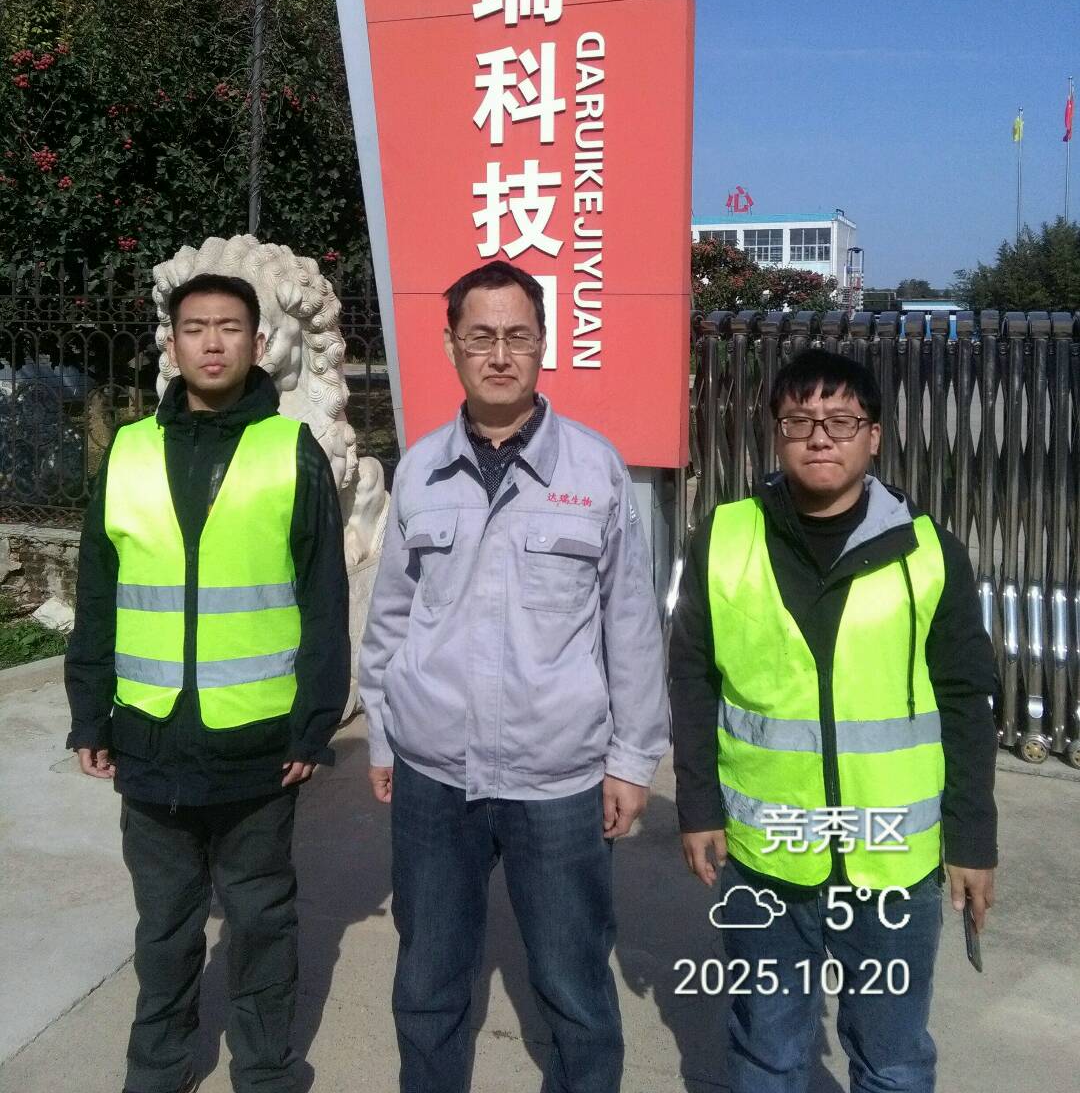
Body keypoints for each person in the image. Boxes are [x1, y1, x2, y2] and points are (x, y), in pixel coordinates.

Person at [361, 261, 670, 1093]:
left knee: (575, 987)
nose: (500, 355)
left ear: (543, 344)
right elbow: (391, 617)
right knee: (427, 981)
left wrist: (631, 760)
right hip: (434, 774)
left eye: (518, 337)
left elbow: (631, 624)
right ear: (451, 346)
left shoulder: (594, 470)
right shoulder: (420, 469)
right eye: (481, 338)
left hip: (558, 777)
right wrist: (384, 735)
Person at [669, 348, 997, 1093]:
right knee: (767, 1050)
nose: (820, 436)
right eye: (800, 420)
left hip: (893, 861)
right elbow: (691, 680)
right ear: (776, 433)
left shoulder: (928, 552)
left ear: (873, 435)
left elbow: (966, 704)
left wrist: (973, 841)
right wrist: (699, 807)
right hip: (768, 855)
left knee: (892, 1059)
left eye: (841, 420)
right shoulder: (725, 539)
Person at [65, 272, 350, 1093]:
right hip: (149, 736)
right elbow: (98, 594)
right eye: (195, 328)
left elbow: (323, 599)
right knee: (164, 926)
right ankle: (158, 1067)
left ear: (258, 344)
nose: (213, 343)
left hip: (257, 747)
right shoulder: (128, 452)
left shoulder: (290, 451)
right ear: (172, 342)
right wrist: (90, 713)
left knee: (260, 922)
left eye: (230, 328)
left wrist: (313, 723)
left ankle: (264, 1071)